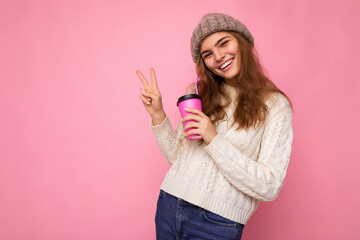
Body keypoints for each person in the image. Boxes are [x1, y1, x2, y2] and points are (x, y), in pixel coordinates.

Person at [136, 13, 293, 240]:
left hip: (217, 223)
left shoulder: (275, 105)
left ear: (241, 41)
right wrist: (158, 115)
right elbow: (179, 158)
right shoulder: (199, 92)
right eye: (208, 54)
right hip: (169, 206)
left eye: (224, 43)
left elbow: (269, 187)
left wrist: (213, 138)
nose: (219, 56)